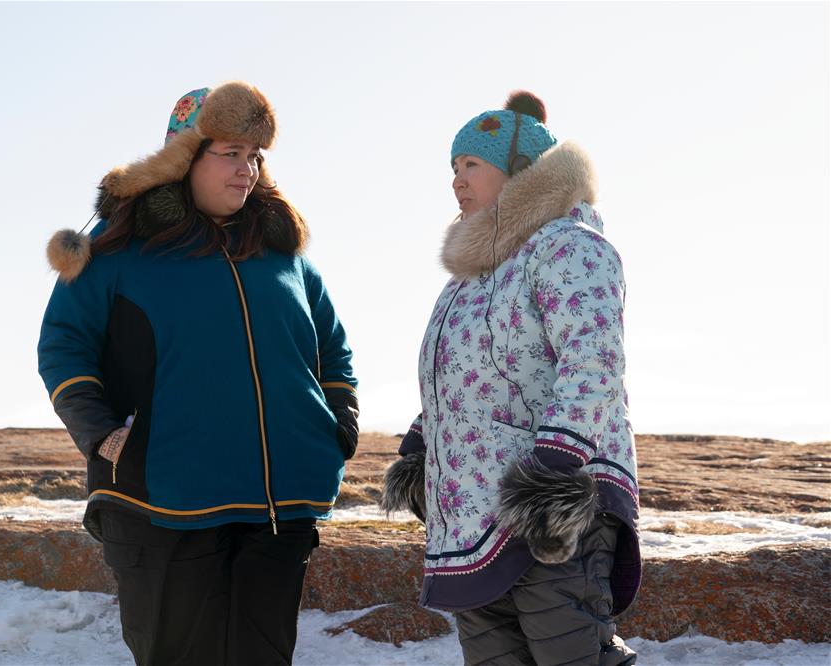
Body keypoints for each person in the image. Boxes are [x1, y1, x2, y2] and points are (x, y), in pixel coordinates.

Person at [38, 81, 358, 666]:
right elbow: (62, 346)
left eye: (256, 157)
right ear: (183, 157)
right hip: (162, 505)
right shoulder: (116, 255)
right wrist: (103, 436)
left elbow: (333, 351)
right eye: (231, 154)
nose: (248, 170)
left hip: (277, 511)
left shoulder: (286, 257)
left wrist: (339, 422)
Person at [382, 91, 640, 665]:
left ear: (521, 171)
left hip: (551, 511)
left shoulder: (570, 247)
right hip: (473, 514)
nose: (456, 180)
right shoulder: (470, 276)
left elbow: (592, 364)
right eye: (453, 167)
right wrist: (423, 442)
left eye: (471, 164)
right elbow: (462, 376)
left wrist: (551, 469)